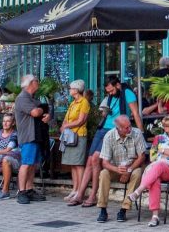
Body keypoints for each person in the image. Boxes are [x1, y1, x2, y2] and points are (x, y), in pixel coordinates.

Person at [74, 76, 142, 208]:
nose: (110, 93)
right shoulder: (111, 96)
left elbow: (135, 113)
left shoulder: (127, 93)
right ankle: (79, 194)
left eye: (111, 90)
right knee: (89, 160)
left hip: (114, 130)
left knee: (95, 159)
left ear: (117, 85)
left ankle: (94, 195)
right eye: (108, 92)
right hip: (103, 128)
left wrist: (141, 133)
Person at [128, 115, 169, 227]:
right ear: (165, 128)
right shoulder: (159, 138)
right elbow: (152, 156)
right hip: (159, 169)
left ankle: (139, 190)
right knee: (155, 178)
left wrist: (161, 150)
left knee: (159, 164)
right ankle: (155, 216)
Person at [94, 114, 148, 222]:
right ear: (118, 128)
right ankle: (102, 209)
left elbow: (142, 157)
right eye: (126, 128)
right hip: (116, 168)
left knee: (138, 173)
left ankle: (124, 209)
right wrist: (117, 170)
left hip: (132, 168)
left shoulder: (136, 133)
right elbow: (104, 163)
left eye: (130, 126)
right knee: (104, 173)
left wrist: (128, 170)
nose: (130, 129)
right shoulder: (109, 136)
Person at [14, 74, 50, 204]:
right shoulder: (22, 98)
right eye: (36, 81)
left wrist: (47, 115)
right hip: (28, 136)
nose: (38, 83)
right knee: (26, 164)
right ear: (31, 83)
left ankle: (29, 189)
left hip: (35, 135)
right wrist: (42, 110)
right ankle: (21, 191)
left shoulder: (32, 98)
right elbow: (35, 112)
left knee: (33, 165)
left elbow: (43, 111)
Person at [61, 80, 91, 200]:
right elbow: (66, 118)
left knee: (78, 164)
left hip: (79, 135)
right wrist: (64, 126)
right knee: (73, 164)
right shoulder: (73, 103)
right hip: (70, 136)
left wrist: (66, 126)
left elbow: (81, 120)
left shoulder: (84, 102)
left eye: (71, 88)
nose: (69, 90)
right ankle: (74, 189)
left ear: (76, 89)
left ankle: (80, 190)